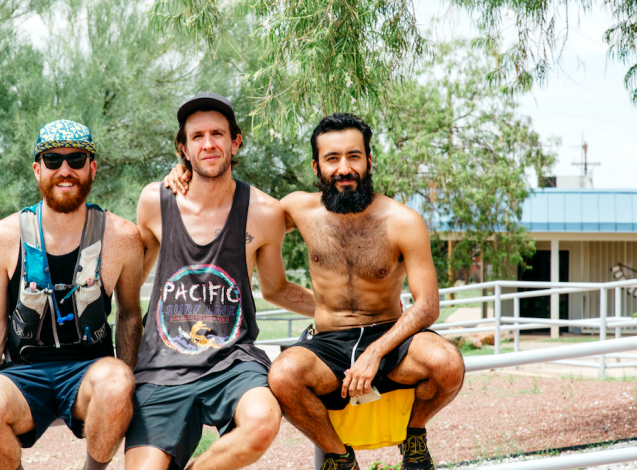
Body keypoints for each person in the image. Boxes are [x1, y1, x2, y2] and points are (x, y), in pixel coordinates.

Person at [165, 113, 465, 470]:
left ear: (369, 160)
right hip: (329, 342)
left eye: (354, 156)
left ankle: (414, 437)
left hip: (390, 336)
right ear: (316, 166)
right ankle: (339, 458)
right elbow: (241, 206)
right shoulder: (297, 208)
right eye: (332, 159)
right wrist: (185, 170)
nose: (344, 168)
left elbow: (428, 306)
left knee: (448, 364)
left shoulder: (403, 221)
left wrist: (374, 352)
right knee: (282, 375)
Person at [0, 119, 144, 470]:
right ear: (37, 169)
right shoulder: (2, 237)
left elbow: (129, 315)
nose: (65, 170)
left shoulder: (122, 237)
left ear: (92, 168)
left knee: (117, 382)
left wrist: (133, 390)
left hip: (89, 370)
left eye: (76, 160)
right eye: (52, 160)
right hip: (22, 373)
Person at [127, 92, 316, 470]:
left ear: (236, 141)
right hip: (162, 366)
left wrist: (344, 309)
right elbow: (129, 288)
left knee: (262, 421)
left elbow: (276, 288)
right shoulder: (155, 201)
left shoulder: (263, 212)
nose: (208, 143)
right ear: (183, 147)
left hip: (232, 360)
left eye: (218, 133)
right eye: (197, 136)